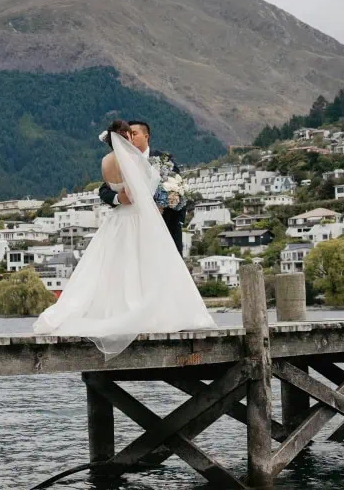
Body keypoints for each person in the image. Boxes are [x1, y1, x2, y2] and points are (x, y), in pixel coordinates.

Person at [32, 120, 216, 358]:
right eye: (130, 133)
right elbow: (122, 190)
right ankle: (152, 313)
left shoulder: (109, 161)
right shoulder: (133, 159)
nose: (133, 136)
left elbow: (169, 187)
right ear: (127, 136)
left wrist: (171, 204)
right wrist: (143, 199)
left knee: (120, 266)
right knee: (139, 265)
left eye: (136, 132)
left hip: (123, 222)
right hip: (140, 219)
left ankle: (119, 310)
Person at [98, 121, 187, 255]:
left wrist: (177, 216)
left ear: (146, 136)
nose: (131, 138)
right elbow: (104, 190)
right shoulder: (119, 161)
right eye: (128, 135)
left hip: (166, 226)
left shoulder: (163, 159)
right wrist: (118, 198)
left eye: (134, 133)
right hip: (134, 225)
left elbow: (179, 187)